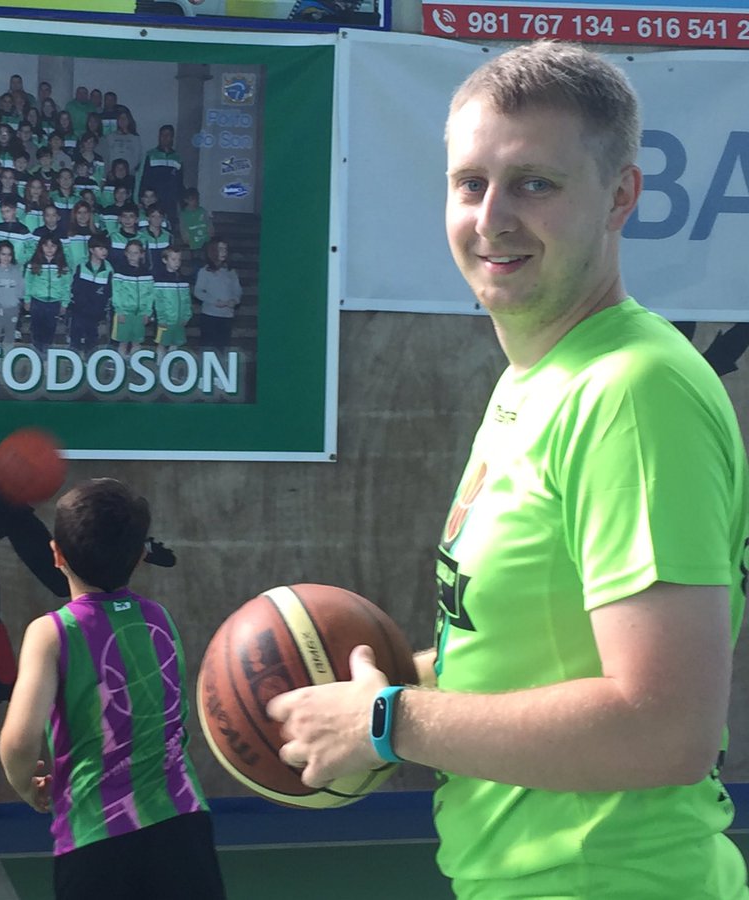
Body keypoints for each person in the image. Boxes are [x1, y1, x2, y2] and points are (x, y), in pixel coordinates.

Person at [266, 42, 749, 900]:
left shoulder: (633, 391)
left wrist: (390, 722)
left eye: (535, 183)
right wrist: (382, 681)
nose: (492, 216)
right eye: (469, 183)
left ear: (620, 197)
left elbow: (667, 727)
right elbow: (526, 656)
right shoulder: (536, 378)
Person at [0, 477, 225, 900]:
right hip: (184, 827)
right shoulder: (160, 618)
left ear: (56, 553)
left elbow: (18, 742)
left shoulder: (52, 633)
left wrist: (27, 786)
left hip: (96, 838)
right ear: (140, 556)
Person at [23, 235, 70, 354]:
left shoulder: (63, 265)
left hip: (54, 302)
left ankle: (46, 353)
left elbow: (66, 285)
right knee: (36, 328)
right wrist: (27, 299)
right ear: (40, 247)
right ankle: (36, 352)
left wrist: (65, 302)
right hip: (37, 301)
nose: (49, 249)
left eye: (53, 246)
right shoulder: (33, 263)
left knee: (50, 329)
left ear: (58, 248)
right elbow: (27, 282)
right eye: (46, 245)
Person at [193, 238, 241, 352]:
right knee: (208, 347)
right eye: (220, 249)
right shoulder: (205, 271)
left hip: (227, 316)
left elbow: (237, 290)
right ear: (213, 251)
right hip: (210, 316)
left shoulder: (231, 271)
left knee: (223, 347)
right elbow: (198, 291)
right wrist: (214, 301)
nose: (224, 252)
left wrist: (234, 300)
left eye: (225, 249)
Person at [0, 239, 23, 361]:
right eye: (3, 254)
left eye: (9, 254)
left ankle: (8, 358)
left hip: (12, 307)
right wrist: (1, 301)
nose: (6, 257)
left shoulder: (16, 271)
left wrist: (14, 301)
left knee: (10, 334)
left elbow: (21, 288)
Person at [152, 246, 190, 361]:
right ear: (165, 260)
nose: (177, 262)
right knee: (162, 343)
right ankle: (160, 365)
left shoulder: (183, 280)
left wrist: (186, 315)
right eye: (173, 259)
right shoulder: (159, 280)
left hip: (179, 320)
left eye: (179, 259)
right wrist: (162, 319)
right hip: (166, 321)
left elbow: (187, 300)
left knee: (175, 343)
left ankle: (171, 366)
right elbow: (158, 302)